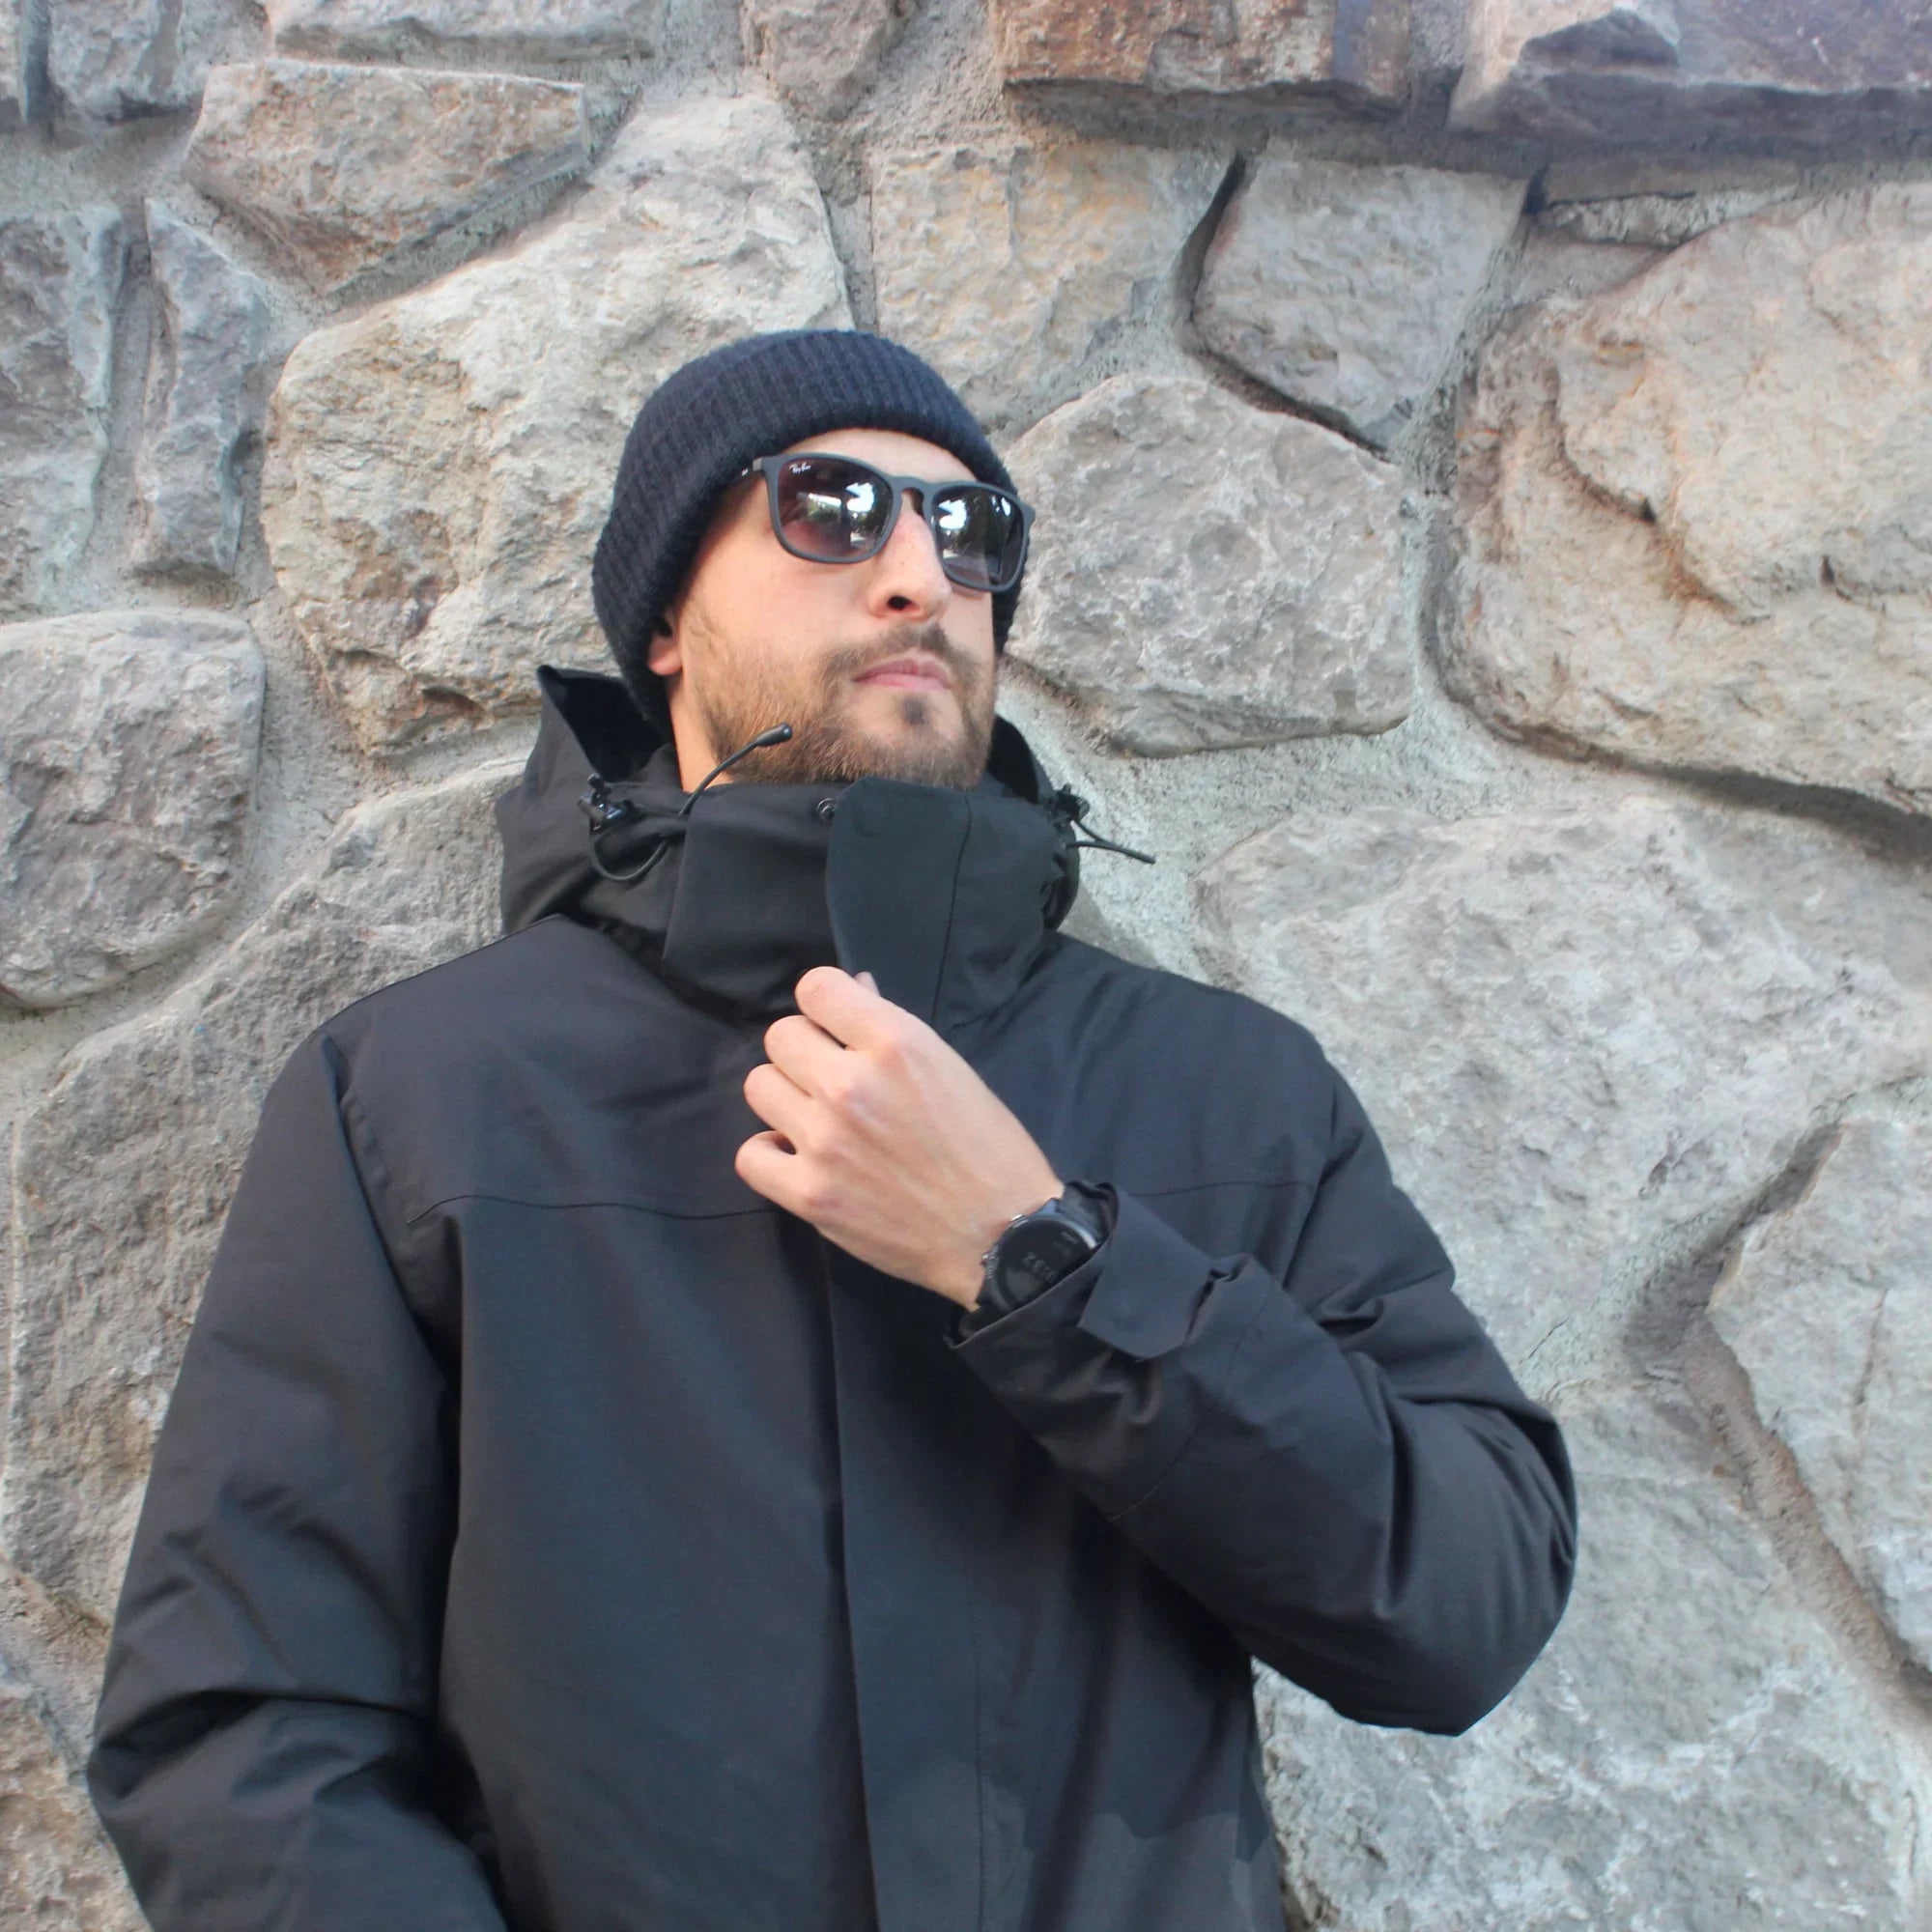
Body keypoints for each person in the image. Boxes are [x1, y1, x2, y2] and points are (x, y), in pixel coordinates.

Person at [86, 328, 1577, 1932]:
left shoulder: (1227, 1087)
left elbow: (1464, 1605)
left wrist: (1049, 1264)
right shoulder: (419, 1098)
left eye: (968, 532)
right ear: (664, 615)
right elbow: (239, 1732)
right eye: (830, 508)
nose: (916, 576)